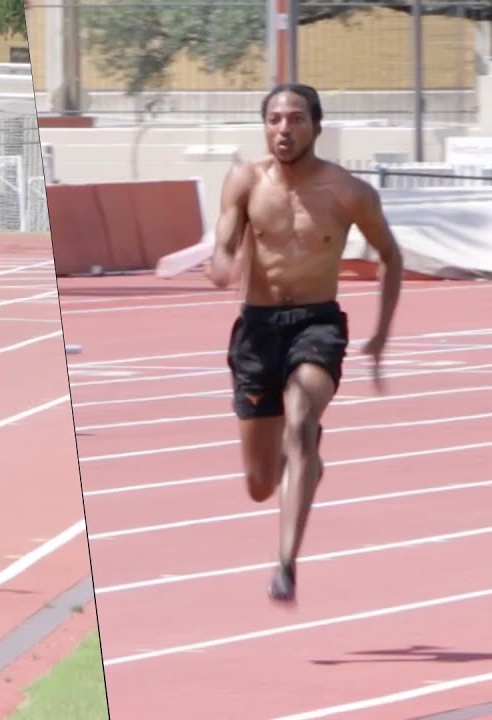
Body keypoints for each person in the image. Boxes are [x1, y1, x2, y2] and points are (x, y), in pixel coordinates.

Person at [205, 83, 402, 604]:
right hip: (257, 331)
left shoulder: (348, 191)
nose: (283, 129)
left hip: (316, 324)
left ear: (316, 125)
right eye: (274, 119)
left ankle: (285, 563)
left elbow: (392, 256)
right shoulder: (244, 181)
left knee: (300, 416)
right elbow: (223, 244)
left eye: (294, 119)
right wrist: (221, 264)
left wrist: (380, 335)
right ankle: (305, 463)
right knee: (259, 483)